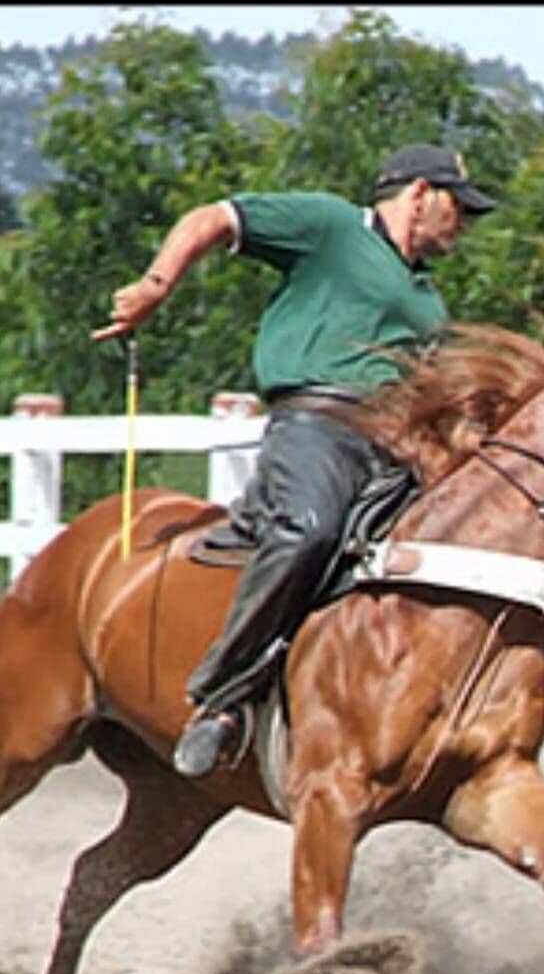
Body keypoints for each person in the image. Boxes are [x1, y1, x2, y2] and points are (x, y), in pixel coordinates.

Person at [96, 143, 496, 777]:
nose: (465, 223)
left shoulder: (428, 300)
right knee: (310, 528)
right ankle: (221, 696)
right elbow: (213, 218)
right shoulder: (332, 226)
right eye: (459, 207)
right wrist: (155, 286)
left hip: (396, 446)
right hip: (318, 425)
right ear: (420, 193)